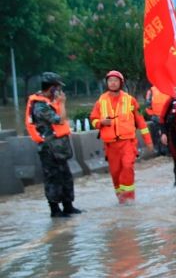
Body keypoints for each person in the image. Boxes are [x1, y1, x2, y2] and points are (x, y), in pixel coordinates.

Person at [89, 70, 153, 204]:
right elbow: (93, 120)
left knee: (127, 166)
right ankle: (121, 200)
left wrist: (148, 142)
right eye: (110, 80)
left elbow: (141, 122)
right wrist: (101, 122)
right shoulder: (101, 101)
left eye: (115, 80)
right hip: (110, 145)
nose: (112, 83)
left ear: (121, 83)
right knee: (115, 173)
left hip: (127, 143)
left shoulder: (130, 100)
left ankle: (129, 199)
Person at [25, 72, 82, 217]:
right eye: (57, 88)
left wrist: (59, 103)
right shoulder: (40, 106)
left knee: (65, 177)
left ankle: (68, 206)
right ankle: (55, 210)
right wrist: (62, 103)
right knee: (53, 178)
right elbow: (60, 120)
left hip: (59, 148)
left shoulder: (49, 102)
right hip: (49, 149)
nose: (59, 92)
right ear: (51, 88)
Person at [145, 84, 170, 155]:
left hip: (163, 116)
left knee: (161, 134)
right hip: (159, 117)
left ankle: (162, 150)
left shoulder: (152, 90)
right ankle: (162, 150)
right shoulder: (152, 90)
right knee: (159, 134)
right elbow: (148, 104)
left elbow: (148, 104)